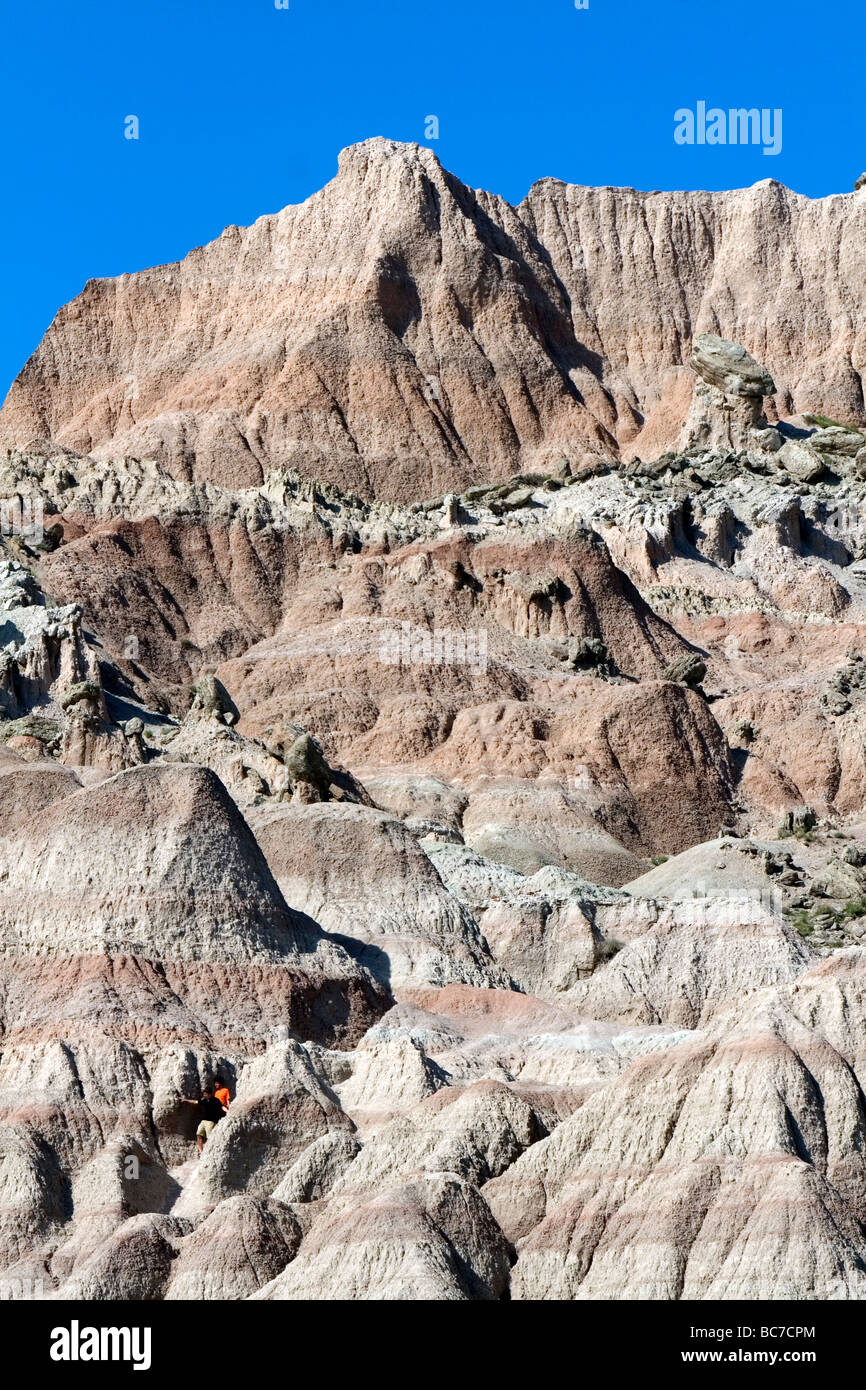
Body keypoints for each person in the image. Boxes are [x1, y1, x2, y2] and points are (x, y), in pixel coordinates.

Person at [181, 1082, 227, 1155]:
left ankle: (211, 1152)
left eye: (205, 1094)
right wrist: (185, 1100)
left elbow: (222, 1107)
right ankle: (201, 1151)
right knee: (198, 1135)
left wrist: (228, 1111)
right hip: (203, 1121)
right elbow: (195, 1102)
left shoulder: (215, 1100)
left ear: (209, 1094)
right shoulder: (204, 1100)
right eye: (204, 1094)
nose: (204, 1095)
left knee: (210, 1137)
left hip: (211, 1122)